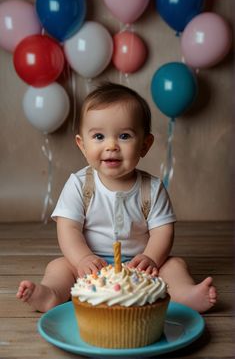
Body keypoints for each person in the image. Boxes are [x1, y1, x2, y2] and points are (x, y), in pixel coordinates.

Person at [16, 81, 217, 313]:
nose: (111, 146)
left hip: (138, 265)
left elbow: (163, 231)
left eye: (124, 136)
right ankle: (50, 294)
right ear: (82, 145)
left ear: (145, 144)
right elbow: (68, 228)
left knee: (174, 265)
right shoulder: (80, 184)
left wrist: (150, 258)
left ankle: (185, 294)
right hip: (93, 264)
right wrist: (82, 259)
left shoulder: (151, 188)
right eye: (99, 136)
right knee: (59, 266)